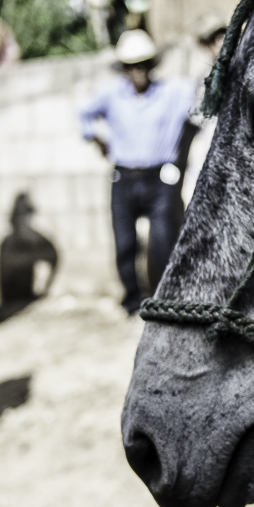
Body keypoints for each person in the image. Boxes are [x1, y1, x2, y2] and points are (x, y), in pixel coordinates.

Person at [78, 29, 196, 315]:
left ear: (151, 65)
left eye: (143, 64)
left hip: (161, 178)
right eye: (132, 66)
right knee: (125, 244)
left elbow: (204, 96)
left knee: (162, 241)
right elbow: (83, 114)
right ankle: (132, 300)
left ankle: (167, 300)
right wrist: (98, 140)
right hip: (124, 176)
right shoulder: (110, 94)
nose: (138, 71)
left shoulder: (173, 92)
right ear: (124, 69)